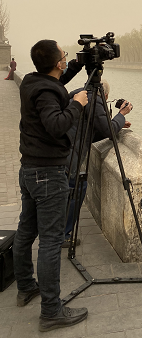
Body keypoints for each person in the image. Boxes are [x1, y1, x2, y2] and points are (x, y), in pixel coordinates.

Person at [12, 40, 89, 332]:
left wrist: (80, 64)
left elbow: (57, 83)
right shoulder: (46, 91)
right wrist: (77, 104)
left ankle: (25, 287)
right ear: (57, 63)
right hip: (48, 173)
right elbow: (57, 125)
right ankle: (51, 311)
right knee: (51, 241)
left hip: (29, 169)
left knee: (26, 230)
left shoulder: (34, 81)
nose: (66, 59)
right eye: (65, 56)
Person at [63, 80, 132, 246]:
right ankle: (63, 235)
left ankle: (56, 231)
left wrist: (118, 124)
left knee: (70, 189)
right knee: (77, 188)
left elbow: (94, 131)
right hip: (70, 155)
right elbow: (107, 130)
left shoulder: (79, 95)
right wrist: (121, 115)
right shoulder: (95, 98)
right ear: (105, 95)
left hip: (65, 151)